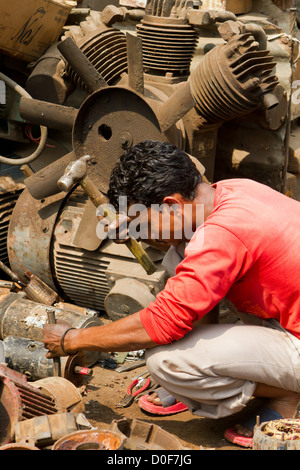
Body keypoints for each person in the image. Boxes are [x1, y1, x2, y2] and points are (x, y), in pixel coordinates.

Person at [43, 140, 300, 448]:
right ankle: (227, 375)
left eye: (145, 217)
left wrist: (71, 339)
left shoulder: (221, 237)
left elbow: (161, 323)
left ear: (172, 205)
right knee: (181, 254)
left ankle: (286, 393)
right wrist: (144, 225)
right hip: (287, 312)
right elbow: (190, 243)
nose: (141, 226)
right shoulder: (230, 190)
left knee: (167, 362)